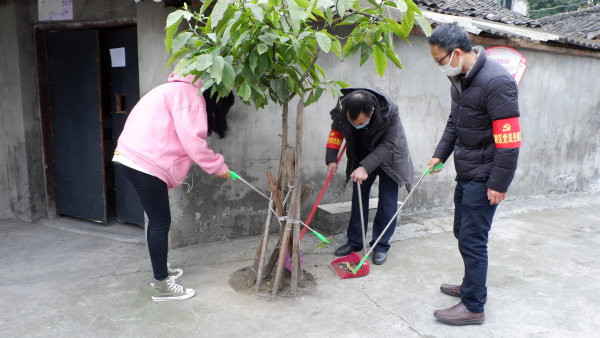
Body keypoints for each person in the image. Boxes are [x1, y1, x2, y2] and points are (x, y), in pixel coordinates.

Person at [427, 23, 521, 325]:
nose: (439, 67)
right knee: (461, 232)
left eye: (439, 60)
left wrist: (499, 183)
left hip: (485, 176)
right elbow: (454, 124)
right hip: (466, 171)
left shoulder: (497, 82)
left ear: (456, 53)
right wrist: (439, 154)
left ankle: (473, 305)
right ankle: (471, 286)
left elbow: (509, 141)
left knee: (473, 239)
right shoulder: (459, 78)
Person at [113, 72, 234, 301]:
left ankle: (162, 272)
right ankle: (162, 286)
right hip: (143, 161)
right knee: (160, 221)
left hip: (133, 157)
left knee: (157, 219)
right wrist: (218, 166)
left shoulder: (175, 90)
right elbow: (192, 142)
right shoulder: (190, 96)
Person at [326, 88, 413, 265]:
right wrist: (331, 158)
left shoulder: (389, 110)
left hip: (390, 156)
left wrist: (365, 167)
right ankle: (355, 241)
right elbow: (336, 132)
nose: (356, 126)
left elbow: (389, 143)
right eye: (353, 123)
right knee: (358, 196)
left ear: (371, 111)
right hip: (362, 153)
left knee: (387, 202)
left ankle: (380, 245)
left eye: (360, 123)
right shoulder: (343, 108)